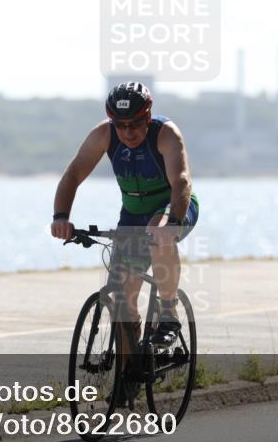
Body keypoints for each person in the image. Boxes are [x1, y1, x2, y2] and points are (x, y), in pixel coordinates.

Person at [50, 81, 199, 347]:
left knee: (158, 230)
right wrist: (61, 216)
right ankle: (129, 379)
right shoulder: (103, 135)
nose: (127, 132)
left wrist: (172, 223)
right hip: (132, 215)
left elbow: (181, 182)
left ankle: (168, 313)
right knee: (122, 302)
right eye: (120, 124)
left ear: (147, 117)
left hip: (174, 205)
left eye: (134, 123)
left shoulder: (166, 134)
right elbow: (73, 175)